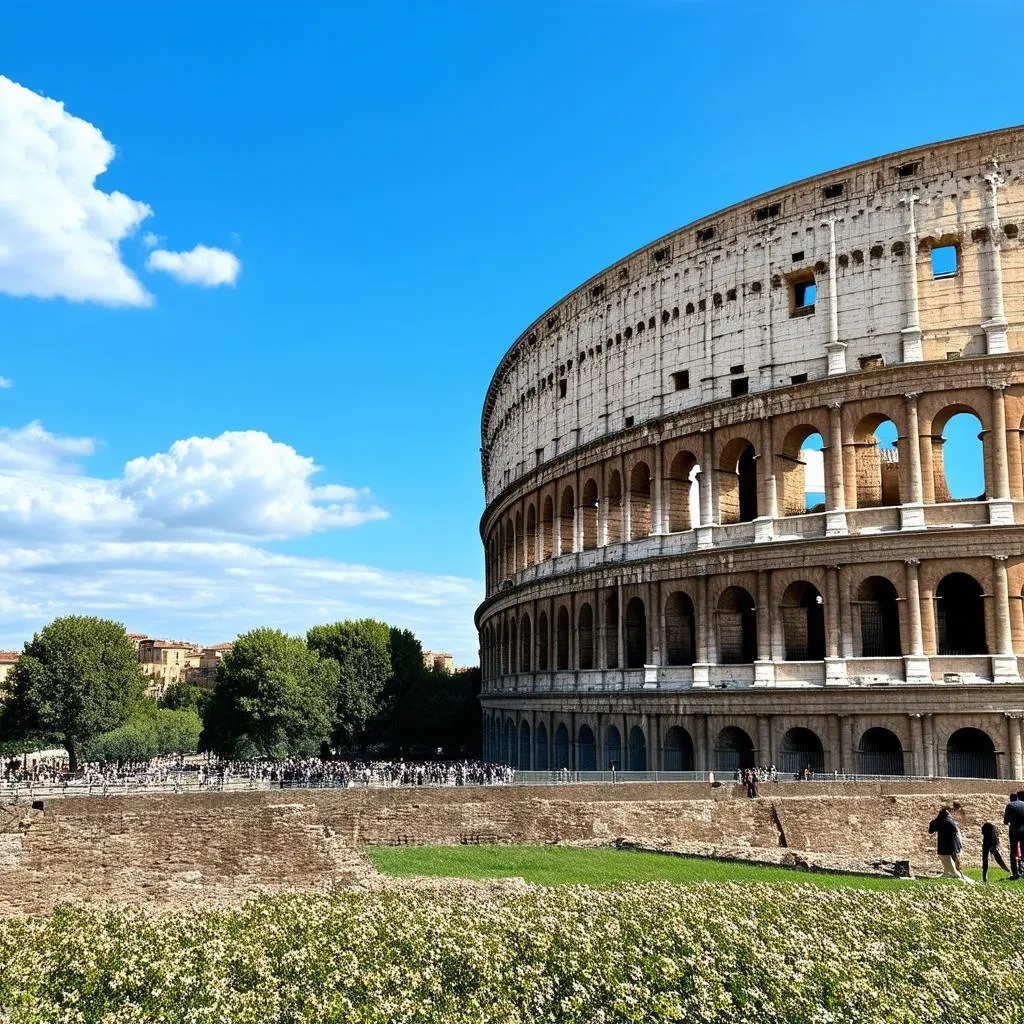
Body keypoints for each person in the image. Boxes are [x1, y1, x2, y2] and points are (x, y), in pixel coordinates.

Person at [928, 807, 974, 883]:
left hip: (944, 846)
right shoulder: (951, 821)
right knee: (954, 860)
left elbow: (931, 831)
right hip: (953, 846)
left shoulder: (939, 821)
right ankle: (958, 873)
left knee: (949, 863)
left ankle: (954, 874)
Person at [1002, 791, 1024, 879]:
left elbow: (1005, 821)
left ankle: (1015, 873)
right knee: (1023, 850)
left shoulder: (1010, 805)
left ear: (1011, 799)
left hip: (1014, 830)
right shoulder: (1023, 804)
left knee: (1013, 852)